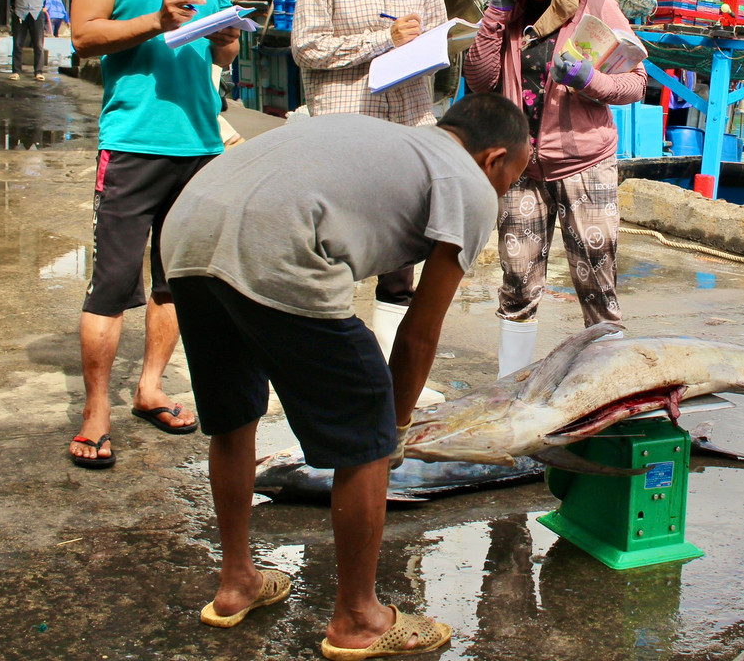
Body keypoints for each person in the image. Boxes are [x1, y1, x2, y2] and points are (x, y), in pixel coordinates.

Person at [159, 92, 529, 656]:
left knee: (233, 417)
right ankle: (359, 619)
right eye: (512, 178)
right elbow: (419, 331)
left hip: (186, 229)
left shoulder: (386, 137)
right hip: (278, 245)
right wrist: (394, 429)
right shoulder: (471, 184)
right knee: (366, 434)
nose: (504, 191)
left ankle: (237, 583)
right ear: (493, 158)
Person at [66, 0, 241, 469]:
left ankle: (150, 387)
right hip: (134, 140)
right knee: (112, 283)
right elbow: (84, 37)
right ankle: (94, 413)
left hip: (199, 143)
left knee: (177, 284)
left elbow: (220, 50)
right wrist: (156, 22)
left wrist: (226, 41)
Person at [463, 0, 648, 376]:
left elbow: (635, 83)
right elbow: (481, 79)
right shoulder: (507, 17)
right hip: (521, 167)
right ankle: (511, 389)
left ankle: (607, 385)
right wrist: (493, 17)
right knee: (518, 279)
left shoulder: (599, 11)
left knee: (596, 281)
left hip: (586, 166)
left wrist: (593, 81)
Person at [291, 0, 448, 373]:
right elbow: (307, 48)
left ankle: (391, 372)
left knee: (403, 258)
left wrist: (431, 47)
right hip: (346, 135)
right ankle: (327, 369)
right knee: (334, 252)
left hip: (407, 130)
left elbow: (440, 40)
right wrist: (384, 39)